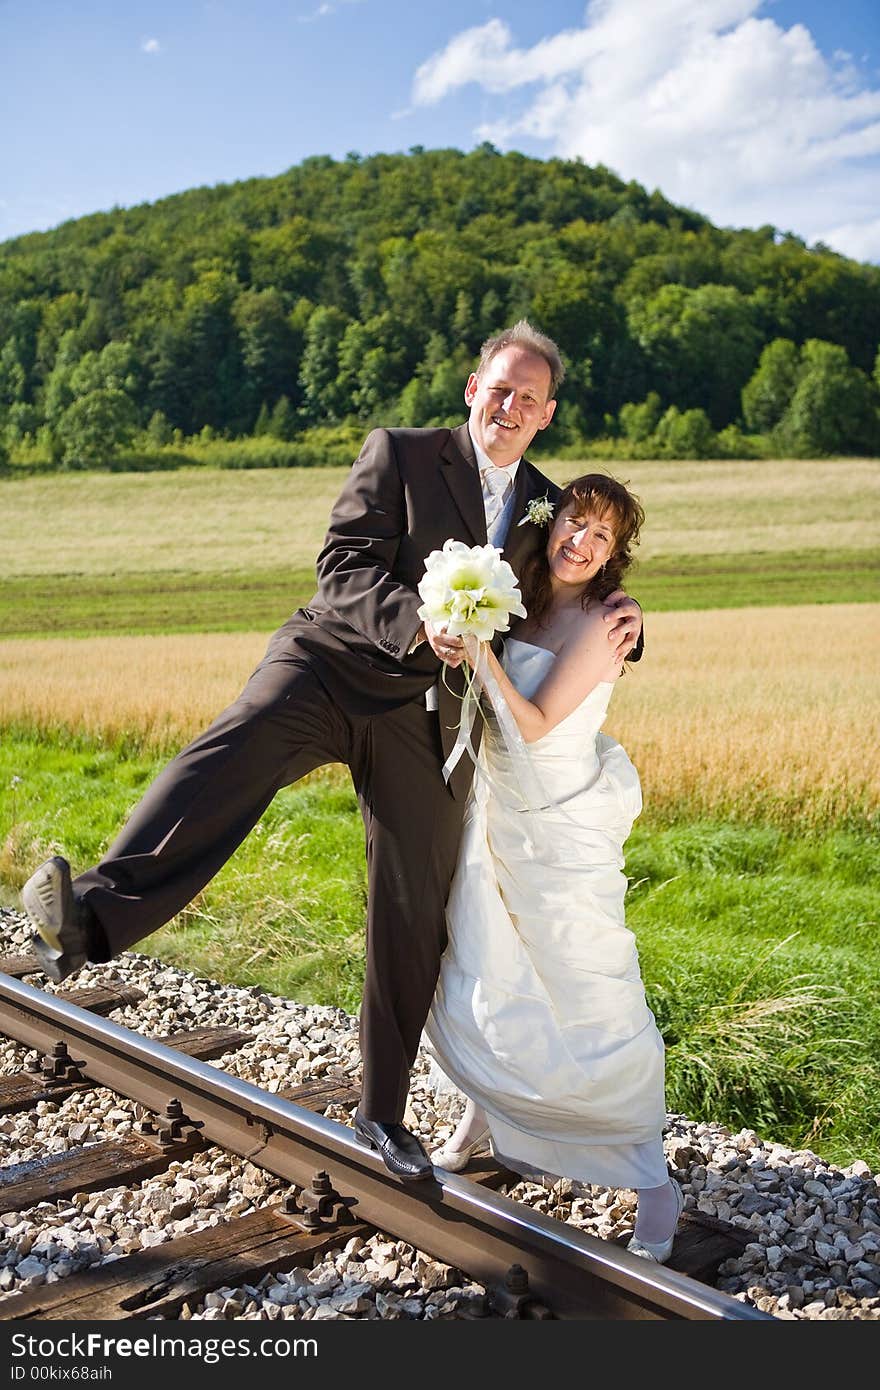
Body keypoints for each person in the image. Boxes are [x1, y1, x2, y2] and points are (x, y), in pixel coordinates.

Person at [20, 321, 644, 1184]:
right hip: (329, 660)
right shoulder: (399, 453)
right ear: (473, 388)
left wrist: (625, 619)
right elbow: (342, 565)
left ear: (546, 413)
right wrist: (415, 623)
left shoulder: (543, 504)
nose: (511, 407)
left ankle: (383, 1112)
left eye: (529, 399)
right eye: (500, 389)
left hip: (423, 717)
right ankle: (89, 915)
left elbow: (565, 583)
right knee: (231, 752)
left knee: (413, 900)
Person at [422, 473, 683, 1262]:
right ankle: (486, 1112)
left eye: (602, 535)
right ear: (555, 521)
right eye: (576, 521)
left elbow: (532, 725)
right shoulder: (522, 591)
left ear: (615, 554)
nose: (582, 541)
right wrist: (461, 623)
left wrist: (479, 652)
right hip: (496, 806)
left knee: (583, 986)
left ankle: (653, 1183)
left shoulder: (608, 623)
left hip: (560, 824)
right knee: (486, 963)